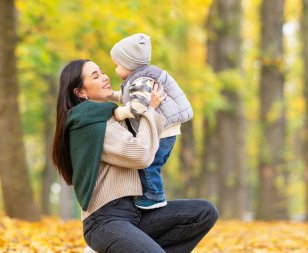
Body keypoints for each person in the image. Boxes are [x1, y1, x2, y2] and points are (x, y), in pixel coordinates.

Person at [52, 59, 218, 253]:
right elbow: (141, 155)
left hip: (136, 214)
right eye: (95, 76)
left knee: (204, 213)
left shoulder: (114, 115)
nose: (105, 77)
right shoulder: (90, 123)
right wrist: (150, 109)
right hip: (105, 221)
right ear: (81, 92)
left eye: (102, 72)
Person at [110, 33, 193, 209]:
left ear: (129, 64)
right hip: (165, 130)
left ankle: (154, 196)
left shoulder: (142, 81)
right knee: (152, 162)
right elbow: (131, 97)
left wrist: (121, 113)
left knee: (149, 163)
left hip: (162, 131)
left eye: (117, 65)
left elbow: (137, 106)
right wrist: (114, 95)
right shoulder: (141, 78)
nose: (116, 69)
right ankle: (150, 193)